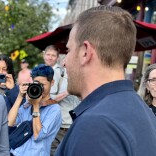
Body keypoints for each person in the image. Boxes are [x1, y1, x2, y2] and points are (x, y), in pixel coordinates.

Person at [55, 6, 156, 156]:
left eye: (68, 50)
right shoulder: (143, 112)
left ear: (85, 52)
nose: (64, 62)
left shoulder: (95, 125)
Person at [8, 64, 61, 156]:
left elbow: (38, 136)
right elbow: (10, 123)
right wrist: (20, 96)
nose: (39, 88)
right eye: (36, 83)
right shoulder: (28, 103)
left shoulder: (54, 109)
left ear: (52, 83)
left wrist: (36, 106)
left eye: (42, 85)